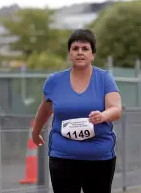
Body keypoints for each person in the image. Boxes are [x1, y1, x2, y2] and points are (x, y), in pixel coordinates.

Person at [31, 29, 122, 193]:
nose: (80, 52)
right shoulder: (54, 81)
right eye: (75, 48)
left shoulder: (104, 78)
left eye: (85, 48)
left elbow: (115, 109)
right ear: (69, 53)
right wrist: (35, 131)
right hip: (62, 156)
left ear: (93, 54)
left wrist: (102, 116)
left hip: (99, 157)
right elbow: (45, 109)